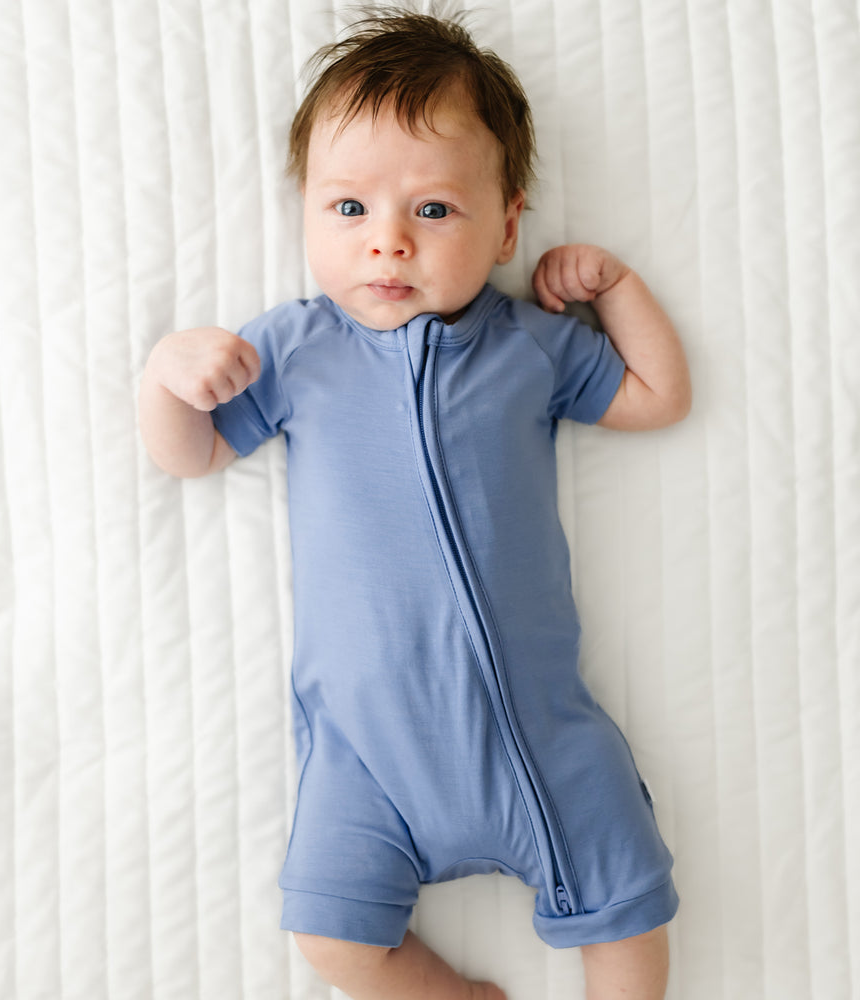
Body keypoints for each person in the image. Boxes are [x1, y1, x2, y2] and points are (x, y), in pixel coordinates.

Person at [139, 9, 692, 999]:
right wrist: (166, 381)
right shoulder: (295, 349)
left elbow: (658, 397)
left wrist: (615, 290)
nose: (387, 242)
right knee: (331, 935)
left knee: (633, 915)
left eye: (432, 211)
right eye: (348, 209)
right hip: (366, 755)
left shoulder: (527, 343)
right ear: (306, 212)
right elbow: (194, 455)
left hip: (538, 734)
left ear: (506, 226)